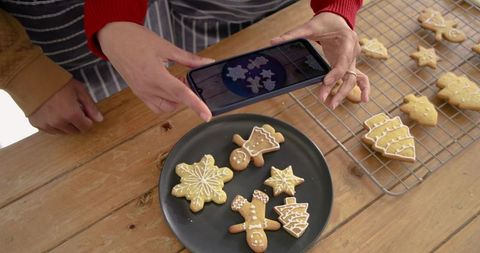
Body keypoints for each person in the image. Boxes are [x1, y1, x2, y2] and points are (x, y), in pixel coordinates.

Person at [0, 0, 369, 135]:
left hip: (251, 20)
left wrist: (340, 5)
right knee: (127, 115)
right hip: (62, 43)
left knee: (188, 85)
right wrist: (26, 75)